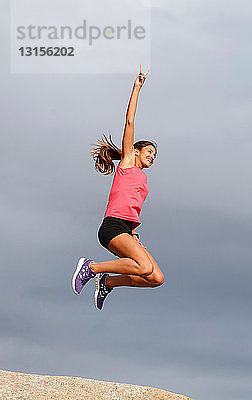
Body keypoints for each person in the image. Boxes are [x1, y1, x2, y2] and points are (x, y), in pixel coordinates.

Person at [72, 66, 164, 310]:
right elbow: (129, 121)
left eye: (155, 155)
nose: (152, 157)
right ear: (135, 151)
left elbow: (133, 211)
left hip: (126, 229)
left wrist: (135, 236)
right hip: (112, 226)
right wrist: (137, 88)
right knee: (143, 267)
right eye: (149, 152)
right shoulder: (127, 165)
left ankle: (108, 282)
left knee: (156, 278)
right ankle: (91, 268)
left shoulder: (142, 180)